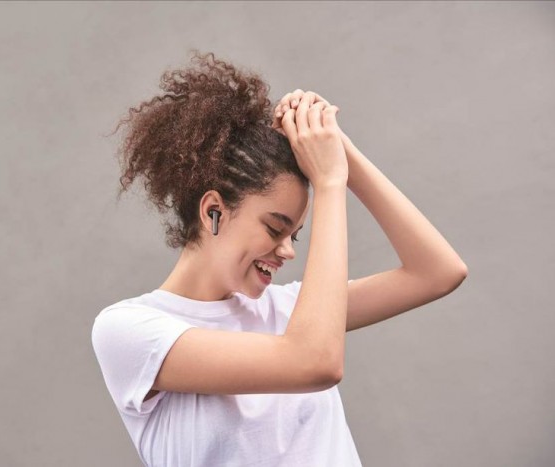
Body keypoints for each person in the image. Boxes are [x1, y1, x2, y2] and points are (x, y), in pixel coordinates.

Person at [92, 50, 467, 466]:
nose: (288, 251)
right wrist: (329, 183)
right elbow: (314, 362)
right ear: (214, 211)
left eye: (295, 235)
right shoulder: (130, 331)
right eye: (275, 229)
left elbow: (438, 272)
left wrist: (340, 153)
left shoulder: (289, 311)